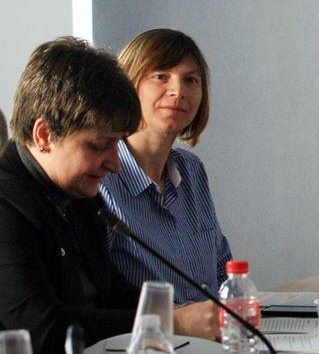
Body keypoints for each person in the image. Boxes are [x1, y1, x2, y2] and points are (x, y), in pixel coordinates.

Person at [0, 38, 218, 353]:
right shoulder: (7, 204)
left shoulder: (80, 196)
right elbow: (42, 329)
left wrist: (182, 313)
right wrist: (171, 322)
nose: (114, 164)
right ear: (44, 135)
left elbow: (113, 295)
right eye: (99, 146)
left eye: (117, 144)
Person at [99, 29, 232, 304]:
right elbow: (104, 298)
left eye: (190, 80)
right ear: (127, 84)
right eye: (161, 76)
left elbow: (223, 269)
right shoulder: (101, 178)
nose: (178, 91)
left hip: (215, 330)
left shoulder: (192, 170)